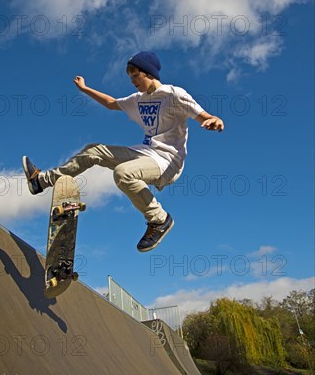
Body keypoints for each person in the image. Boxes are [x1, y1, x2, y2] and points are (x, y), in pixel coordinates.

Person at [22, 51, 224, 252]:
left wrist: (213, 120)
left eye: (136, 76)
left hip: (167, 161)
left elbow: (202, 114)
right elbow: (111, 104)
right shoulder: (138, 99)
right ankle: (40, 182)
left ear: (148, 73)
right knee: (94, 151)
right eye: (130, 78)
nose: (133, 82)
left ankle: (159, 219)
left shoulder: (174, 94)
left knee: (123, 173)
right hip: (146, 152)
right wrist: (84, 89)